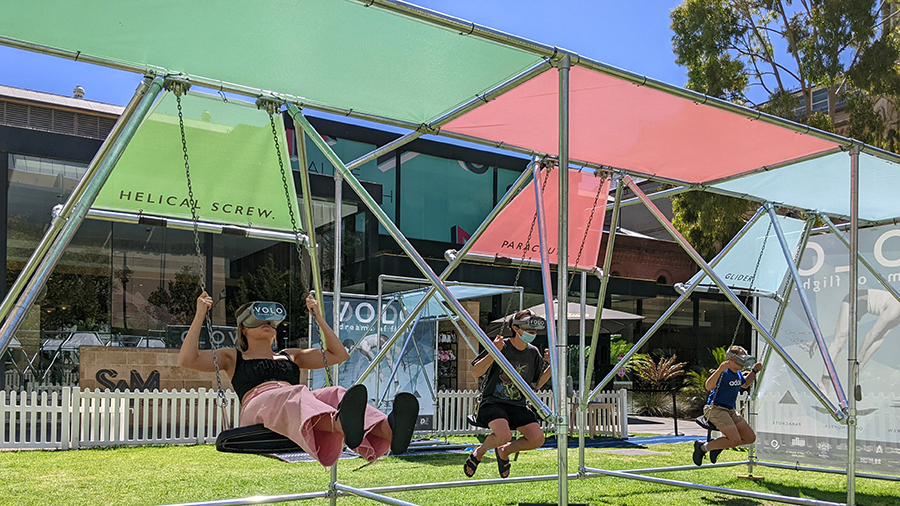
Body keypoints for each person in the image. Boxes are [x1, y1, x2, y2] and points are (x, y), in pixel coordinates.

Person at [179, 291, 418, 466]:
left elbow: (340, 354)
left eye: (270, 323)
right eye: (260, 322)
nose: (268, 325)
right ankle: (340, 423)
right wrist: (200, 314)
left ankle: (389, 430)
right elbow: (188, 360)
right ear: (243, 329)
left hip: (293, 403)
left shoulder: (290, 355)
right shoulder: (233, 357)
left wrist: (319, 318)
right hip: (258, 407)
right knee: (294, 393)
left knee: (335, 392)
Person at [464, 309, 551, 479]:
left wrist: (551, 365)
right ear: (517, 329)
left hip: (517, 404)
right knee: (504, 435)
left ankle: (504, 451)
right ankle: (479, 452)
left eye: (534, 330)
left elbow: (537, 383)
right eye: (528, 328)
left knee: (537, 439)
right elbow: (476, 373)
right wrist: (494, 352)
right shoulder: (501, 345)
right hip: (493, 402)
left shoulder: (533, 352)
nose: (532, 333)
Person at [819, 288, 900, 393]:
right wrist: (859, 357)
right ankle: (824, 382)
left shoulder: (897, 317)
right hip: (854, 299)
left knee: (877, 338)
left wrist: (860, 367)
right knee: (839, 341)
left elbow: (879, 340)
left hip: (863, 307)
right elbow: (871, 334)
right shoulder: (895, 309)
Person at [693, 345, 762, 466]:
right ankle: (703, 448)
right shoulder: (724, 372)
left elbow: (744, 384)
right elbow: (708, 386)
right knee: (734, 440)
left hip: (730, 410)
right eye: (740, 361)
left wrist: (754, 371)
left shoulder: (738, 373)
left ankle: (717, 446)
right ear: (730, 360)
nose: (743, 364)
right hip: (715, 409)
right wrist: (719, 369)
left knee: (750, 438)